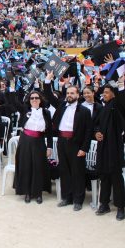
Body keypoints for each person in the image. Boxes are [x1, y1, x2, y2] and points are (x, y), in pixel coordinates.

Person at [43, 71, 92, 211]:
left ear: (78, 95)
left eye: (72, 93)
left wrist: (84, 148)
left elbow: (88, 132)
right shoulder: (62, 106)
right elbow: (48, 96)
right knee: (64, 170)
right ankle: (67, 197)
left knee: (77, 172)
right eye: (68, 93)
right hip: (62, 142)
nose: (69, 95)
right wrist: (47, 80)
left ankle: (78, 199)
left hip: (76, 143)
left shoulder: (84, 111)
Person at [13, 91, 53, 204]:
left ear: (40, 100)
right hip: (25, 141)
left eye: (36, 98)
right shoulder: (25, 110)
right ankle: (27, 192)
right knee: (26, 166)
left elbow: (49, 132)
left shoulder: (46, 113)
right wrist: (11, 88)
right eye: (32, 98)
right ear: (29, 100)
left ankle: (38, 193)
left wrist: (50, 147)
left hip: (39, 142)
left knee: (38, 166)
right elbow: (13, 101)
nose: (34, 100)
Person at [94, 78, 125, 221]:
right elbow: (96, 124)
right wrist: (97, 132)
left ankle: (120, 207)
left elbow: (121, 100)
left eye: (107, 92)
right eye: (104, 92)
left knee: (116, 177)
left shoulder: (117, 105)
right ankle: (104, 204)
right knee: (104, 175)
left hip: (115, 146)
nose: (104, 94)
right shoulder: (103, 107)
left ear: (113, 94)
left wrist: (120, 84)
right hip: (102, 147)